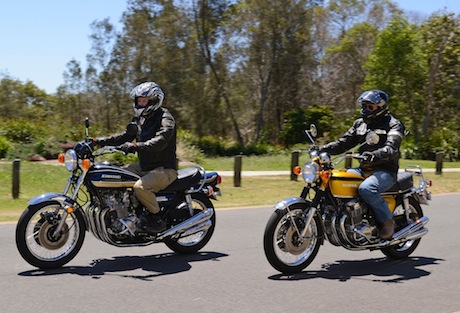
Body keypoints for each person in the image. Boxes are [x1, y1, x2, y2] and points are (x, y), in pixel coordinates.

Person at [93, 81, 178, 234]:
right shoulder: (140, 119)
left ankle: (157, 219)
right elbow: (125, 136)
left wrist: (135, 146)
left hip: (164, 169)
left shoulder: (165, 118)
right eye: (139, 100)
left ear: (153, 101)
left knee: (140, 187)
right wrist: (98, 142)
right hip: (145, 166)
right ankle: (131, 214)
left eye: (143, 100)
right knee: (117, 177)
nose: (140, 103)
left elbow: (161, 140)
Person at [319, 90, 405, 239]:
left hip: (385, 171)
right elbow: (344, 143)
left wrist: (374, 155)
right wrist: (323, 149)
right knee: (333, 180)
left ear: (381, 107)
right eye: (364, 106)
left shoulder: (394, 124)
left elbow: (391, 148)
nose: (365, 110)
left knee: (367, 189)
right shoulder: (360, 124)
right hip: (363, 169)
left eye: (370, 107)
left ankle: (387, 222)